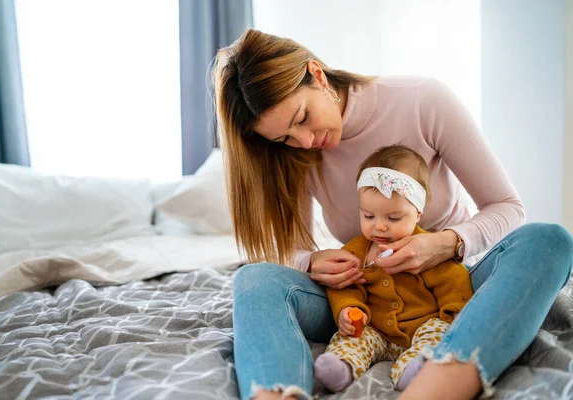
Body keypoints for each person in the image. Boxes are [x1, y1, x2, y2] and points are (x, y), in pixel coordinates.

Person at [212, 28, 573, 400]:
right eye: (283, 139)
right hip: (363, 302)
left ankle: (434, 390)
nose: (303, 142)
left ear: (317, 74)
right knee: (253, 279)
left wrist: (444, 245)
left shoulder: (421, 100)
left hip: (451, 289)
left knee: (549, 240)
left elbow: (508, 208)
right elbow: (289, 248)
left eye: (302, 118)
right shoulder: (296, 153)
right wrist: (310, 261)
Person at [313, 145, 474, 393]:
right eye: (368, 216)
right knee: (353, 339)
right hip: (377, 330)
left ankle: (415, 369)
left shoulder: (426, 248)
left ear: (417, 213)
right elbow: (346, 286)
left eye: (393, 218)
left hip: (423, 325)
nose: (380, 227)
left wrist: (455, 313)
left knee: (437, 335)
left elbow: (453, 281)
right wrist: (349, 309)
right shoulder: (356, 251)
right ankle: (341, 366)